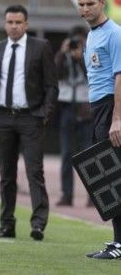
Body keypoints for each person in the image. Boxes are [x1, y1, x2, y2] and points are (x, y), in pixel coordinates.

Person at [0, 5, 58, 241]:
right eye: (10, 22)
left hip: (30, 117)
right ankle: (6, 225)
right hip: (2, 117)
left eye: (18, 22)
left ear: (26, 24)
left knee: (34, 171)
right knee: (6, 174)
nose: (13, 26)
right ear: (5, 24)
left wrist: (44, 113)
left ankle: (38, 224)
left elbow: (52, 85)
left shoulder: (40, 47)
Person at [77, 0, 121, 259]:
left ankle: (119, 244)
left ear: (102, 2)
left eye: (90, 3)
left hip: (111, 109)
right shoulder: (92, 35)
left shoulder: (114, 33)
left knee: (113, 176)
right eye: (81, 4)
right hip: (99, 108)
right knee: (108, 177)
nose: (85, 9)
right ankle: (118, 241)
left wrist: (117, 119)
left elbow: (120, 76)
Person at [54, 26, 92, 207]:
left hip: (86, 107)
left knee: (89, 154)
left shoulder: (91, 55)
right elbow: (54, 74)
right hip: (67, 106)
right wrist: (63, 53)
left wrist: (82, 58)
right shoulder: (64, 56)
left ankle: (93, 197)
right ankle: (66, 195)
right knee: (66, 153)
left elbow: (94, 76)